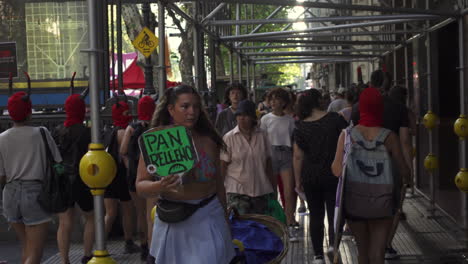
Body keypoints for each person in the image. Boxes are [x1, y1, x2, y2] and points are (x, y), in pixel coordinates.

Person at [136, 85, 235, 263]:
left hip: (209, 218)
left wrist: (225, 222)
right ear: (171, 109)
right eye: (185, 106)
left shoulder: (209, 140)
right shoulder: (156, 141)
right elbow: (141, 186)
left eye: (196, 107)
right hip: (173, 222)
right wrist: (160, 186)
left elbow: (218, 184)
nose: (192, 112)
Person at [332, 87, 410, 264]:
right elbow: (403, 171)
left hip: (354, 202)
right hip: (383, 202)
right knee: (378, 253)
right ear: (379, 108)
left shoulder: (347, 135)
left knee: (362, 252)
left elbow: (336, 170)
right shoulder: (389, 137)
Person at [351, 70, 413, 259]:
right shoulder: (394, 120)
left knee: (362, 251)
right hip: (386, 183)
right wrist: (408, 175)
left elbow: (337, 168)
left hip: (357, 188)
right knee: (379, 246)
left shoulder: (349, 126)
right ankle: (388, 245)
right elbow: (405, 144)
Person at [1, 91, 62, 264]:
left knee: (26, 247)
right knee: (36, 253)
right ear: (29, 112)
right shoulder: (41, 133)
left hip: (10, 195)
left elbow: (1, 175)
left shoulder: (2, 139)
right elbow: (57, 161)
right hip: (35, 193)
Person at [293, 89, 348, 264]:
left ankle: (317, 255)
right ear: (320, 101)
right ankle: (333, 247)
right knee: (335, 214)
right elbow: (348, 143)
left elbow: (297, 156)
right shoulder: (335, 120)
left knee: (316, 215)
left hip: (311, 176)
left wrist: (297, 180)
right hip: (334, 174)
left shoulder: (300, 126)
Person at [53, 91, 95, 264]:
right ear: (80, 110)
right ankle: (86, 255)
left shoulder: (57, 130)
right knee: (91, 217)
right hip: (82, 179)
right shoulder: (86, 132)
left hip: (63, 179)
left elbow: (54, 157)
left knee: (64, 222)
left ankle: (64, 260)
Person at [221, 100, 276, 215]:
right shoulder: (229, 138)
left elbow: (268, 164)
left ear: (252, 117)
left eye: (245, 115)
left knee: (261, 228)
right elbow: (222, 167)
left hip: (261, 190)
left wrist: (274, 190)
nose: (241, 118)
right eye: (239, 115)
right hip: (237, 192)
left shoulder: (263, 135)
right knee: (241, 229)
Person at [120, 95, 156, 262]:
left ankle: (143, 246)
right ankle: (151, 247)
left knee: (140, 213)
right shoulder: (156, 128)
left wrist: (130, 166)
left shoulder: (132, 128)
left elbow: (123, 150)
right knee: (151, 214)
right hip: (152, 175)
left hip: (134, 175)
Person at [260, 87, 298, 242]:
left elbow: (294, 140)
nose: (273, 101)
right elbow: (261, 140)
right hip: (270, 154)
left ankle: (289, 224)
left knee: (289, 192)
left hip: (286, 155)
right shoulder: (265, 119)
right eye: (271, 98)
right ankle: (275, 225)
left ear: (283, 102)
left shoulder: (290, 120)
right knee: (272, 193)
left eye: (277, 98)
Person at [103, 97, 139, 254]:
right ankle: (128, 241)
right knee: (128, 209)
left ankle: (100, 243)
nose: (129, 115)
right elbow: (126, 155)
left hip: (108, 176)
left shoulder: (108, 132)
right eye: (126, 112)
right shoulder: (125, 132)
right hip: (123, 176)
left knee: (110, 213)